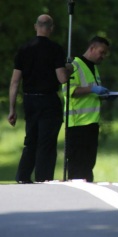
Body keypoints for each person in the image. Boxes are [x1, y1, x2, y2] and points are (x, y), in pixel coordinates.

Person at [8, 14, 69, 183]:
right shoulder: (55, 49)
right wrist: (69, 68)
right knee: (46, 143)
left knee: (31, 139)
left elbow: (14, 81)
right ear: (51, 28)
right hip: (48, 100)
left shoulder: (24, 49)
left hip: (30, 101)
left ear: (36, 27)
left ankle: (23, 176)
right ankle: (43, 179)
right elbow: (62, 78)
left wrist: (12, 109)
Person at [64, 36, 114, 182]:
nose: (103, 56)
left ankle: (86, 196)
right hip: (77, 123)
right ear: (92, 48)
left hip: (91, 123)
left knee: (88, 165)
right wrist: (93, 89)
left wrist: (105, 95)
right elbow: (69, 90)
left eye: (105, 53)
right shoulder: (75, 65)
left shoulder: (93, 68)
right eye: (101, 52)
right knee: (77, 165)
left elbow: (91, 94)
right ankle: (75, 195)